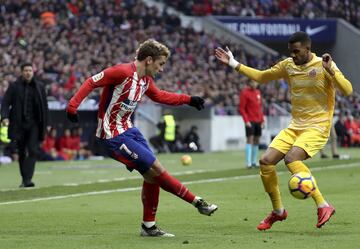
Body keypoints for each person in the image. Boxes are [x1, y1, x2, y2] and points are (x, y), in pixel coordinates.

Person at [66, 39, 217, 237]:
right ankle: (197, 202)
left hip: (130, 131)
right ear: (148, 60)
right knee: (157, 169)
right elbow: (91, 82)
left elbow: (161, 96)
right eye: (160, 64)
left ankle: (148, 226)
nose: (161, 69)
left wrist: (188, 100)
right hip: (112, 135)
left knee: (152, 176)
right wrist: (72, 106)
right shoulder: (121, 72)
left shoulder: (145, 80)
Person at [215, 31, 352, 230]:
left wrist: (331, 70)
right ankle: (278, 211)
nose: (293, 55)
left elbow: (347, 90)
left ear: (308, 49)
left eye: (296, 52)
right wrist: (234, 64)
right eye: (291, 52)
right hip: (295, 127)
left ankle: (323, 205)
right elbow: (262, 77)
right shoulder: (288, 65)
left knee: (291, 159)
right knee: (265, 162)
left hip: (318, 127)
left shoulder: (323, 64)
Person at [1, 63, 48, 187]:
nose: (28, 72)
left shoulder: (40, 86)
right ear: (21, 72)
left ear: (33, 72)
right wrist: (5, 117)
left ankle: (28, 179)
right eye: (25, 70)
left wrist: (47, 124)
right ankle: (24, 179)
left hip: (34, 125)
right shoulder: (14, 86)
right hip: (19, 125)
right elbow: (5, 102)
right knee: (21, 152)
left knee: (33, 150)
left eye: (30, 70)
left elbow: (45, 107)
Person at [238, 80, 264, 168]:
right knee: (250, 139)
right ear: (249, 83)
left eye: (256, 82)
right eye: (253, 82)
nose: (254, 84)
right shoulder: (244, 93)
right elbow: (241, 108)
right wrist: (246, 121)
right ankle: (248, 163)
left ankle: (254, 161)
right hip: (250, 120)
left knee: (257, 140)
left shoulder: (258, 92)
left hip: (258, 120)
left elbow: (259, 107)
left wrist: (262, 120)